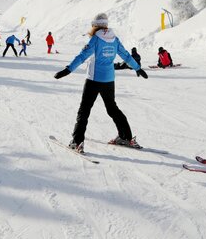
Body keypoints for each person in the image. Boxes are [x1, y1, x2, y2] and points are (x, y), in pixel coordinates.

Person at [53, 13, 148, 153]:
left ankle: (77, 141)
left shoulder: (95, 40)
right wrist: (137, 68)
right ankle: (126, 137)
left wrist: (68, 70)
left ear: (95, 25)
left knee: (84, 110)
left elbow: (82, 56)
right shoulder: (114, 39)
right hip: (109, 80)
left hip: (93, 80)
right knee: (112, 108)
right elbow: (126, 55)